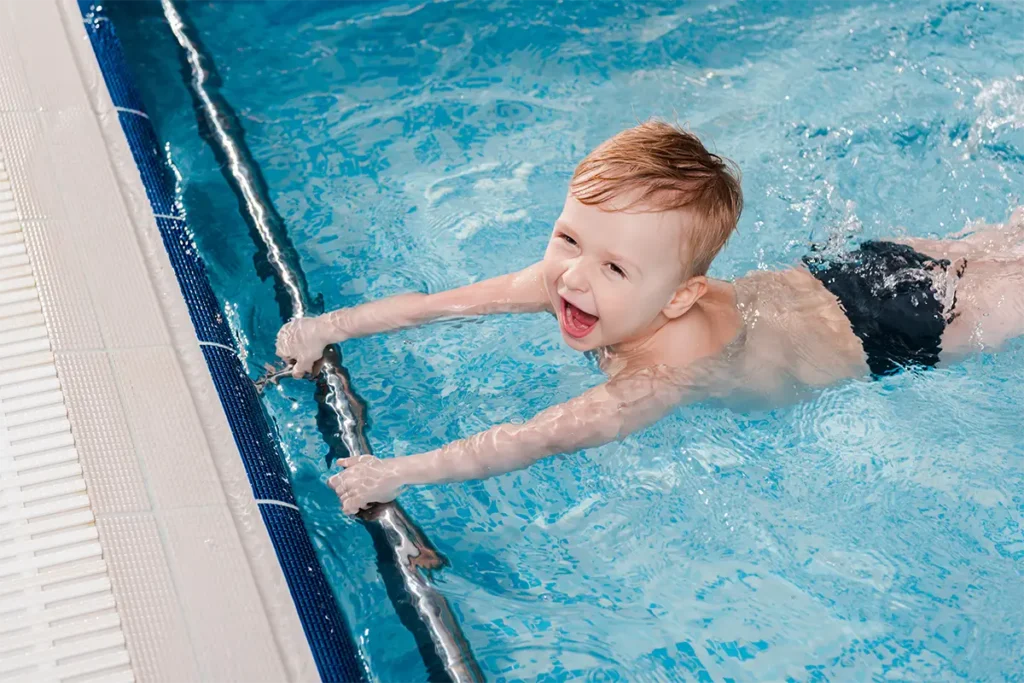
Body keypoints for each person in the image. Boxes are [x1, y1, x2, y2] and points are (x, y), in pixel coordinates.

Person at [275, 120, 1024, 515]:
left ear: (679, 297)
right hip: (844, 271)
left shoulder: (664, 374)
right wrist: (328, 325)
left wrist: (397, 472)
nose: (573, 277)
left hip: (890, 332)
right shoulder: (578, 277)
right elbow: (442, 305)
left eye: (613, 267)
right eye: (569, 237)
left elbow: (539, 437)